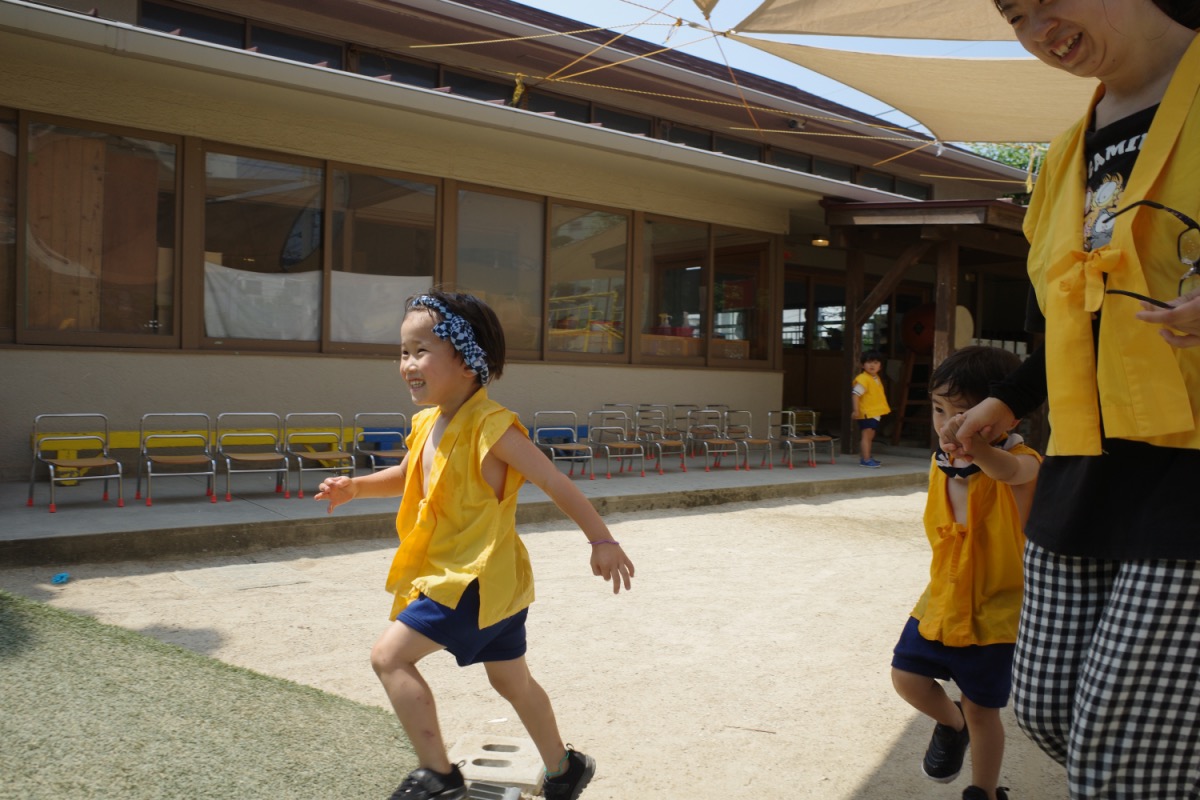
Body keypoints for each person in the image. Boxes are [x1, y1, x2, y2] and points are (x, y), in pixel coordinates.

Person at [940, 3, 1200, 797]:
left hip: (1192, 471)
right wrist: (1008, 402)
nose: (1039, 28)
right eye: (1016, 14)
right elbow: (1061, 318)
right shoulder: (1060, 157)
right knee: (1049, 707)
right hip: (1087, 462)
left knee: (1119, 754)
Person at [315, 290, 635, 800]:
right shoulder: (428, 423)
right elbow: (407, 475)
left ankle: (438, 776)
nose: (408, 364)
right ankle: (564, 768)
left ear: (467, 362)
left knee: (389, 657)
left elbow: (553, 480)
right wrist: (356, 486)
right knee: (511, 682)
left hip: (471, 580)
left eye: (421, 351)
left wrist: (602, 539)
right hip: (493, 585)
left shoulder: (493, 428)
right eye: (403, 352)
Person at [891, 346, 1042, 800]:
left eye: (963, 413)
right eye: (940, 410)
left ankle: (984, 791)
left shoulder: (1026, 460)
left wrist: (978, 447)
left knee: (982, 709)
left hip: (997, 608)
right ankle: (951, 725)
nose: (947, 424)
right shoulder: (941, 462)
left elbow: (1008, 471)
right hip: (943, 595)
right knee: (906, 677)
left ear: (1007, 416)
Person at [851, 349, 891, 467]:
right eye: (869, 362)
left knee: (870, 435)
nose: (872, 365)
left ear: (880, 366)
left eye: (875, 362)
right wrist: (856, 410)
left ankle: (866, 456)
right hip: (867, 412)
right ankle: (866, 459)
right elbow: (855, 394)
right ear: (863, 365)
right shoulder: (863, 379)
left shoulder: (875, 378)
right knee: (866, 435)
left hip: (874, 412)